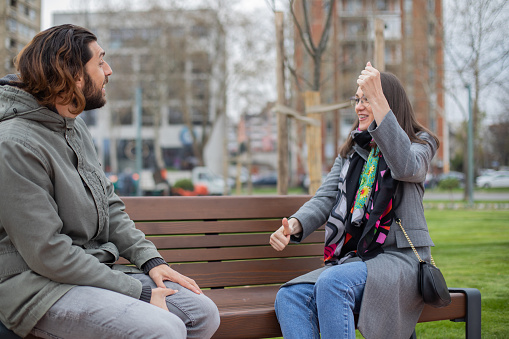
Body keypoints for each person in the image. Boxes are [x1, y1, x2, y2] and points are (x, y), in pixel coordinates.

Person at [0, 24, 219, 339]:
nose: (109, 70)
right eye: (100, 62)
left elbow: (109, 205)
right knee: (164, 328)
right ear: (73, 74)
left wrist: (151, 261)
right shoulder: (14, 144)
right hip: (35, 288)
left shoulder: (73, 127)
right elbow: (48, 253)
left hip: (89, 271)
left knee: (202, 313)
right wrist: (138, 292)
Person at [270, 62, 440, 339]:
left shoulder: (419, 143)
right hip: (359, 259)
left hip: (401, 261)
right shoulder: (353, 150)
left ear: (386, 103)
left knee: (332, 283)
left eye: (368, 99)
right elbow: (325, 197)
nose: (359, 107)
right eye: (357, 100)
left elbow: (406, 166)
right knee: (290, 296)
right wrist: (294, 224)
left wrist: (380, 102)